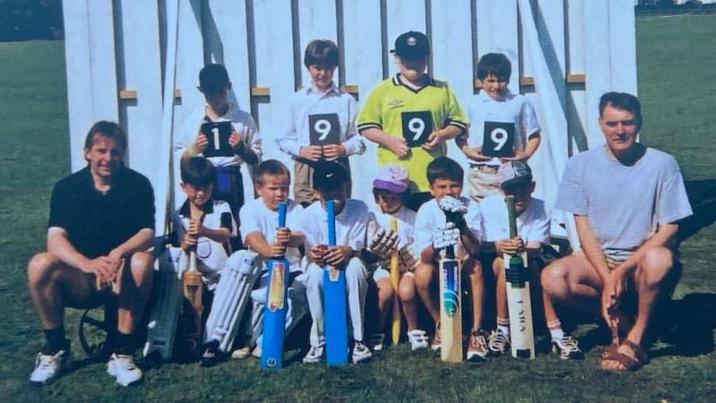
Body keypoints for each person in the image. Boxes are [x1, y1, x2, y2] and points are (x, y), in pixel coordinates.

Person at [542, 92, 692, 371]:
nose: (620, 131)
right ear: (600, 124)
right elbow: (583, 227)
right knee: (553, 277)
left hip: (642, 260)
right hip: (600, 258)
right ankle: (620, 318)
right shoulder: (580, 164)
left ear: (639, 123)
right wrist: (608, 276)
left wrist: (622, 272)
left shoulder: (662, 163)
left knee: (660, 259)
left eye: (627, 123)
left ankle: (637, 339)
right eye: (612, 123)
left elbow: (671, 227)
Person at [28, 121, 154, 386]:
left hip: (120, 275)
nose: (108, 158)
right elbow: (55, 238)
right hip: (82, 278)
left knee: (142, 261)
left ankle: (121, 352)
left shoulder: (138, 185)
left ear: (123, 154)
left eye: (115, 152)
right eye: (101, 151)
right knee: (40, 264)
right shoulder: (67, 188)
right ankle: (57, 349)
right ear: (87, 152)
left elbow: (147, 232)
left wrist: (118, 253)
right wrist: (87, 264)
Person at [478, 161, 582, 359]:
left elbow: (536, 247)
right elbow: (487, 245)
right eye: (511, 189)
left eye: (523, 188)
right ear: (502, 190)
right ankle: (502, 329)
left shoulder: (541, 207)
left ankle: (556, 334)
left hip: (527, 261)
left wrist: (522, 248)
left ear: (532, 187)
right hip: (494, 266)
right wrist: (502, 246)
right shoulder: (488, 206)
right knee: (505, 263)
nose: (518, 194)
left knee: (528, 265)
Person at [357, 31, 468, 211]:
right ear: (397, 58)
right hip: (396, 181)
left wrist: (441, 135)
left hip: (433, 180)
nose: (413, 63)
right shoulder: (382, 91)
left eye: (418, 57)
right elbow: (366, 126)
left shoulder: (442, 89)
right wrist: (390, 141)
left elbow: (459, 123)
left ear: (426, 58)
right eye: (407, 58)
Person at [296, 161, 373, 364]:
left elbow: (357, 249)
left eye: (337, 189)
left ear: (346, 187)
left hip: (350, 263)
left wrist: (347, 251)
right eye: (326, 190)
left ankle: (358, 339)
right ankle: (318, 341)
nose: (333, 195)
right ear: (316, 192)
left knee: (355, 269)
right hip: (320, 267)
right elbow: (308, 253)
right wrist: (317, 255)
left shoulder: (359, 208)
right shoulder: (308, 215)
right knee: (312, 274)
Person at [412, 157, 489, 361]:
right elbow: (424, 257)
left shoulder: (471, 206)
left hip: (463, 263)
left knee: (477, 268)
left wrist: (461, 225)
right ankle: (441, 325)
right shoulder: (426, 210)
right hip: (439, 265)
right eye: (442, 187)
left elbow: (476, 250)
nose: (448, 192)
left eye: (454, 186)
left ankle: (476, 332)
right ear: (431, 189)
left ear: (462, 187)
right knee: (421, 273)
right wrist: (436, 245)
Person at [231, 160, 308, 361]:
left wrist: (289, 238)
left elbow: (301, 237)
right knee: (261, 296)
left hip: (292, 268)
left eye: (284, 188)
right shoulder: (250, 208)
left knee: (301, 294)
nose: (280, 194)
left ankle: (267, 341)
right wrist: (271, 251)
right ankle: (248, 340)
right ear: (259, 189)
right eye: (273, 188)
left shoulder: (296, 208)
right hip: (263, 268)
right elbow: (252, 237)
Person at [276, 39, 365, 206]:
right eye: (317, 68)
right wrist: (302, 150)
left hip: (338, 165)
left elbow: (360, 139)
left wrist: (344, 148)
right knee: (307, 212)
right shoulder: (296, 100)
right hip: (307, 167)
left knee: (340, 211)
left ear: (335, 68)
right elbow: (282, 139)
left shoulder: (346, 101)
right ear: (308, 68)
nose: (323, 73)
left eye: (328, 68)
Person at [175, 63, 261, 228]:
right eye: (210, 94)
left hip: (229, 177)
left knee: (232, 222)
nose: (215, 98)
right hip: (202, 178)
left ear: (228, 87)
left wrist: (241, 148)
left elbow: (255, 157)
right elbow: (180, 157)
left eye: (220, 92)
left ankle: (233, 251)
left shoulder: (243, 119)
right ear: (201, 91)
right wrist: (194, 150)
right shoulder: (193, 121)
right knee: (203, 221)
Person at [457, 53, 541, 200]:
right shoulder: (471, 103)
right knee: (483, 214)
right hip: (482, 171)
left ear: (508, 80)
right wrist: (468, 151)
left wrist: (526, 154)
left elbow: (534, 135)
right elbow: (459, 134)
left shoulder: (520, 102)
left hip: (512, 169)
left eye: (501, 81)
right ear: (480, 81)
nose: (496, 86)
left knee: (512, 213)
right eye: (490, 80)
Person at [363, 165, 423, 351]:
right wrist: (375, 252)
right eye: (383, 195)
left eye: (394, 195)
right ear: (376, 195)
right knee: (385, 291)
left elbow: (418, 246)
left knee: (406, 291)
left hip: (406, 267)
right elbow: (367, 251)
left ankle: (414, 330)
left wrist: (408, 253)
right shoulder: (370, 216)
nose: (388, 200)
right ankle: (377, 331)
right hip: (381, 267)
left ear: (404, 196)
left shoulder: (413, 217)